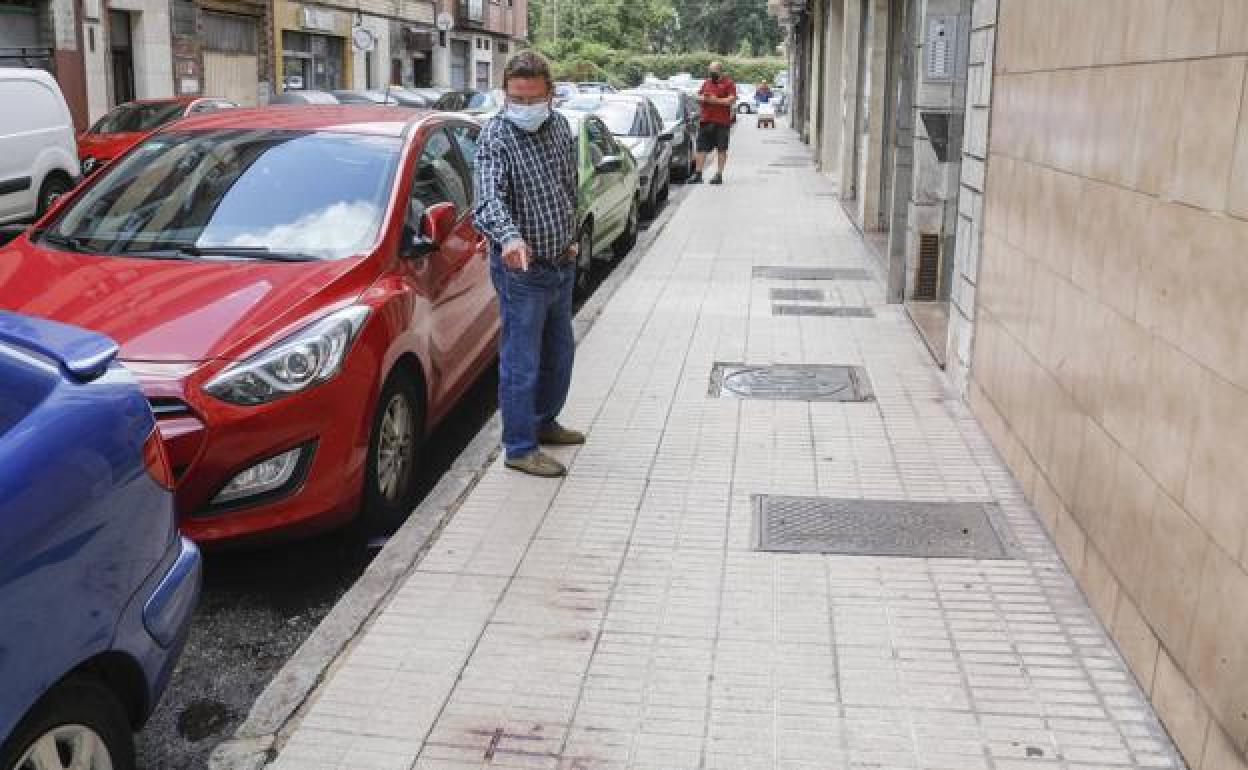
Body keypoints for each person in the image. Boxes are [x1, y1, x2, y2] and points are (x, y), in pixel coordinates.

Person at [473, 50, 585, 478]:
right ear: (505, 94)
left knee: (560, 353)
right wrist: (510, 237)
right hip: (522, 272)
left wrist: (572, 239)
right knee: (522, 361)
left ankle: (545, 422)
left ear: (550, 95)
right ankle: (520, 446)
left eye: (532, 98)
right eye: (515, 99)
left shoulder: (559, 127)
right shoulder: (495, 136)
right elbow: (488, 200)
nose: (523, 108)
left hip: (561, 263)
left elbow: (567, 186)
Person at [690, 61, 736, 185]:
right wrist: (704, 98)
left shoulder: (729, 83)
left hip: (721, 122)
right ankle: (698, 174)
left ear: (720, 71)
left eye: (714, 71)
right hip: (706, 120)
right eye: (710, 71)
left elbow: (730, 100)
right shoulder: (707, 82)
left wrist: (715, 100)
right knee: (701, 148)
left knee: (721, 149)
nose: (711, 74)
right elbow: (697, 97)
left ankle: (718, 175)